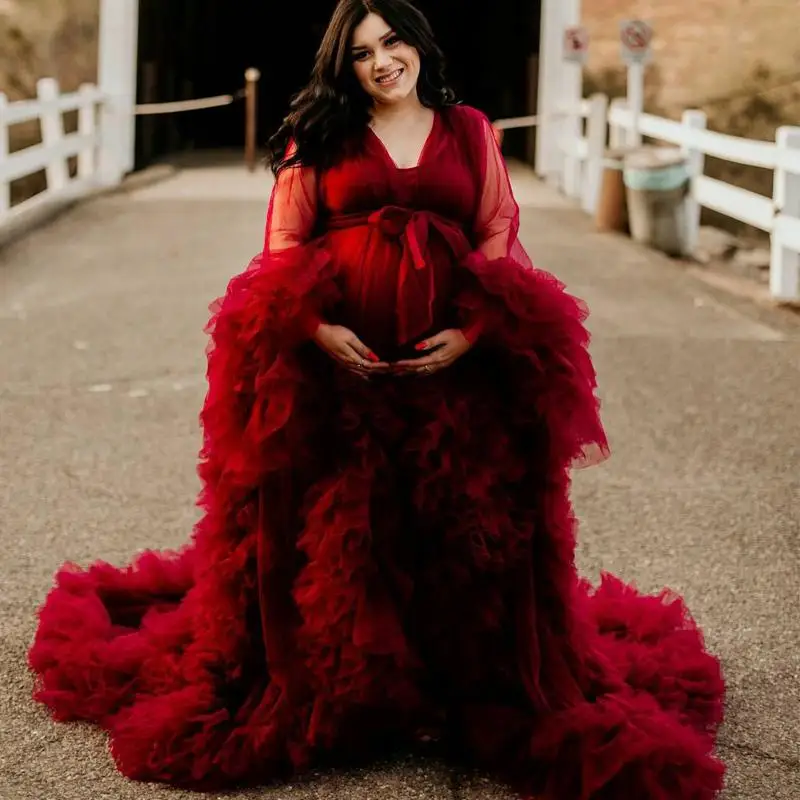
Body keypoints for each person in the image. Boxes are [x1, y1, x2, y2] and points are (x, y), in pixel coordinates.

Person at [28, 1, 726, 797]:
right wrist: (318, 326)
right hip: (339, 376)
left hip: (454, 371)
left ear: (419, 45)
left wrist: (472, 330)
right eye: (360, 53)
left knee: (455, 530)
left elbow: (496, 226)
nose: (381, 61)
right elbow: (284, 242)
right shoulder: (318, 133)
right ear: (344, 66)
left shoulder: (469, 131)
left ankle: (454, 688)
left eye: (392, 42)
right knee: (345, 533)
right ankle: (350, 696)